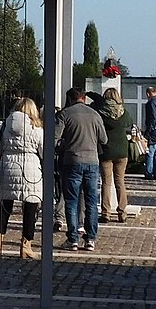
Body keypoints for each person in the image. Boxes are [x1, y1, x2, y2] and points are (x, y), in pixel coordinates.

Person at [0, 97, 43, 259]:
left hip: (8, 166)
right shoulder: (36, 128)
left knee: (4, 207)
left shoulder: (6, 125)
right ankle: (26, 245)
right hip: (30, 168)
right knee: (30, 208)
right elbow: (43, 149)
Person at [54, 86, 106, 251]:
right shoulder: (95, 114)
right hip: (92, 161)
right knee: (91, 202)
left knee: (71, 200)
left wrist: (64, 144)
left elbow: (55, 138)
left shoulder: (65, 114)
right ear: (84, 98)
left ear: (70, 99)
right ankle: (90, 239)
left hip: (72, 161)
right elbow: (104, 139)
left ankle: (73, 239)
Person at [97, 85, 134, 223]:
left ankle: (106, 212)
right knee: (120, 181)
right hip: (122, 150)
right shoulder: (123, 112)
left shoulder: (101, 111)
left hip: (106, 149)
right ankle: (122, 212)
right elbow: (130, 123)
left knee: (106, 182)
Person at [141, 85, 156, 180]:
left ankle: (149, 173)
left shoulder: (151, 103)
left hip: (153, 132)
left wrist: (147, 133)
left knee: (150, 153)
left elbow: (152, 118)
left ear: (148, 93)